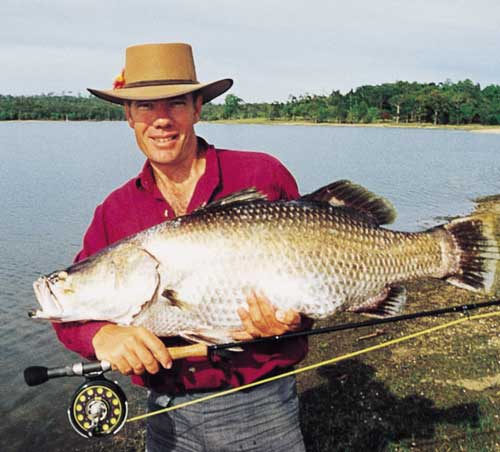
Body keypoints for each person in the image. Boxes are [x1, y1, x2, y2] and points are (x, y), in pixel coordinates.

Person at [53, 43, 310, 451]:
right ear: (128, 116)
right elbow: (68, 304)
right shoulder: (114, 211)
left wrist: (293, 320)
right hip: (164, 411)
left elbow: (313, 270)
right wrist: (101, 336)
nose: (161, 120)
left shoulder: (262, 173)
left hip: (261, 405)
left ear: (197, 108)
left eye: (174, 103)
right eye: (144, 106)